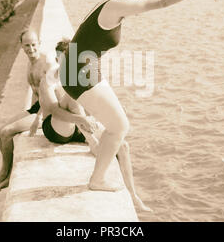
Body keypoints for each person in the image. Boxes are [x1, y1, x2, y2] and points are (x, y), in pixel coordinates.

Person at [59, 0, 221, 191]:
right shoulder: (117, 7)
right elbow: (161, 1)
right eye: (144, 1)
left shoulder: (112, 2)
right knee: (119, 126)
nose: (143, 10)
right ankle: (97, 180)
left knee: (116, 124)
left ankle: (99, 152)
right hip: (78, 72)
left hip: (77, 68)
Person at [40, 40, 152, 212]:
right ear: (57, 59)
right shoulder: (49, 79)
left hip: (78, 126)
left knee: (122, 145)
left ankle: (133, 195)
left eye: (71, 60)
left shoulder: (80, 76)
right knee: (71, 97)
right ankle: (92, 142)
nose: (67, 64)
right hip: (56, 129)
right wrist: (85, 123)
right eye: (63, 60)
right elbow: (55, 111)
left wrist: (102, 126)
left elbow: (97, 107)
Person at [0, 29, 55, 191]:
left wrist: (37, 118)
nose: (31, 49)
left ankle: (5, 174)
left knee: (6, 132)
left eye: (34, 45)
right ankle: (6, 171)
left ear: (40, 43)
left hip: (45, 110)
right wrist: (28, 113)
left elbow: (50, 95)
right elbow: (34, 93)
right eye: (27, 45)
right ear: (21, 46)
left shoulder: (45, 64)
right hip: (35, 108)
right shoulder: (30, 63)